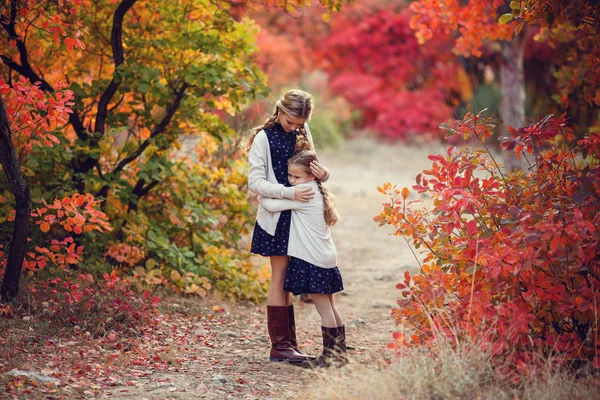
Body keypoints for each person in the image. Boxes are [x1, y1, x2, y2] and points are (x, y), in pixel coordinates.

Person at [245, 90, 330, 364]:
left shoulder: (302, 132)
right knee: (279, 277)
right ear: (280, 111)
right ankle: (279, 346)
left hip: (301, 217)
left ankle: (289, 344)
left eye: (299, 123)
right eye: (290, 121)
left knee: (290, 278)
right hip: (278, 215)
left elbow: (310, 167)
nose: (294, 127)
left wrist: (323, 174)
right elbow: (255, 182)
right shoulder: (263, 138)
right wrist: (287, 193)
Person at [258, 150, 347, 367]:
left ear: (311, 176)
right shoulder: (316, 190)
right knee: (331, 307)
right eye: (290, 176)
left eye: (296, 177)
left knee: (323, 308)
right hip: (326, 258)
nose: (291, 181)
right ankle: (339, 355)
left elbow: (271, 205)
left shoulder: (304, 193)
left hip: (313, 260)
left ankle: (329, 358)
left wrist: (261, 194)